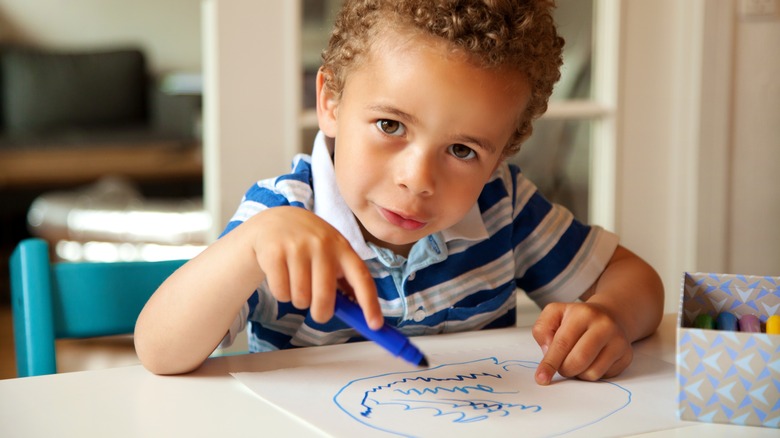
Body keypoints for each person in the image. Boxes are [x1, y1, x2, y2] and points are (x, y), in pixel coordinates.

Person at [135, 0, 664, 385]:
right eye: (391, 126)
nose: (418, 179)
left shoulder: (503, 204)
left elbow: (636, 279)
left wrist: (611, 315)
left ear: (501, 156)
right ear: (331, 101)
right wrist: (248, 248)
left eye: (462, 151)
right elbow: (159, 350)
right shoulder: (281, 218)